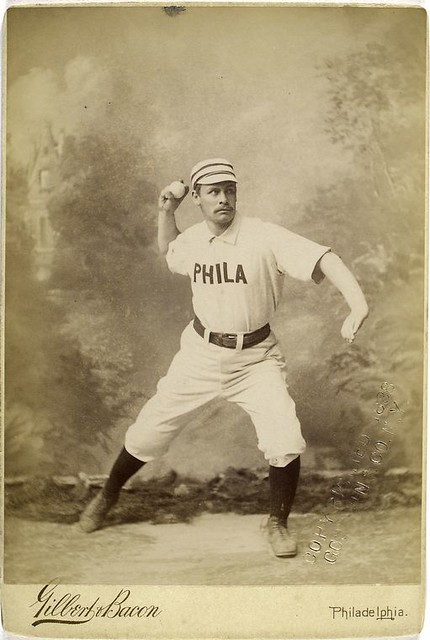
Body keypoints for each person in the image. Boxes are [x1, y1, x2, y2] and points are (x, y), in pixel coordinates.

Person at [79, 158, 369, 558]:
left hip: (256, 359)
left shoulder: (263, 236)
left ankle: (278, 523)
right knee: (149, 430)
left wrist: (357, 305)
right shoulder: (195, 239)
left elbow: (325, 259)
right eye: (213, 191)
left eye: (229, 190)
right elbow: (170, 249)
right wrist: (165, 211)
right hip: (200, 354)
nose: (223, 198)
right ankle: (107, 495)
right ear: (196, 197)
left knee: (284, 437)